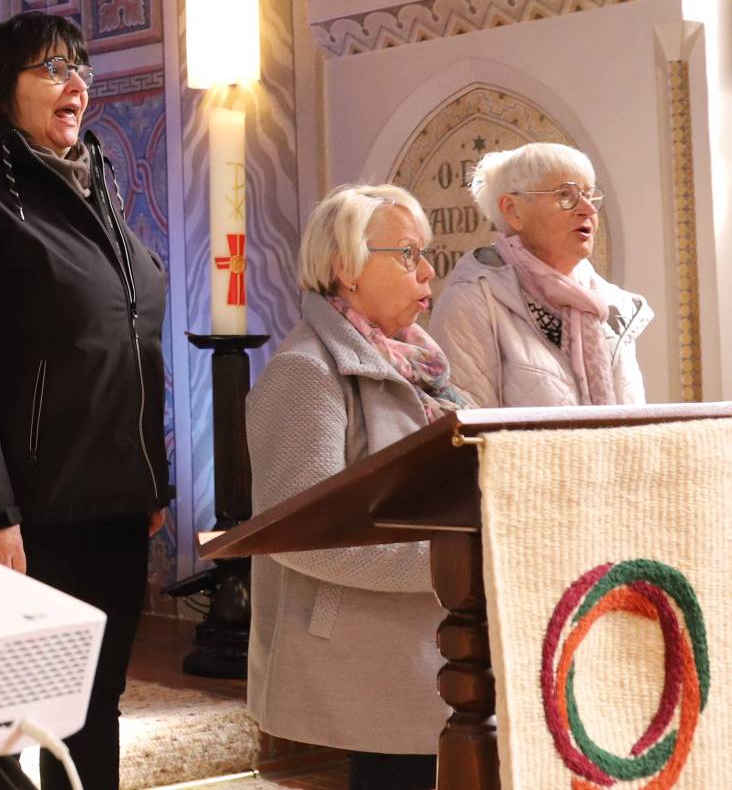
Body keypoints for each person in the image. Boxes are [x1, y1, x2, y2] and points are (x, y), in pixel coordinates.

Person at [0, 11, 170, 790]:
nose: (76, 83)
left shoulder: (96, 181)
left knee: (95, 706)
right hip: (30, 510)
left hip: (113, 501)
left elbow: (128, 335)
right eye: (52, 67)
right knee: (4, 720)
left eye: (80, 67)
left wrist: (151, 478)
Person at [246, 184, 469, 790]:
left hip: (441, 646)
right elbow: (306, 535)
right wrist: (453, 564)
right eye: (406, 254)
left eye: (425, 254)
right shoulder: (305, 374)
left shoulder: (424, 369)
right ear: (345, 268)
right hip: (368, 658)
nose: (426, 271)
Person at [429, 142, 650, 407]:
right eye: (566, 195)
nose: (588, 209)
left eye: (590, 196)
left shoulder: (611, 306)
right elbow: (469, 433)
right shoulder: (472, 299)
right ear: (512, 210)